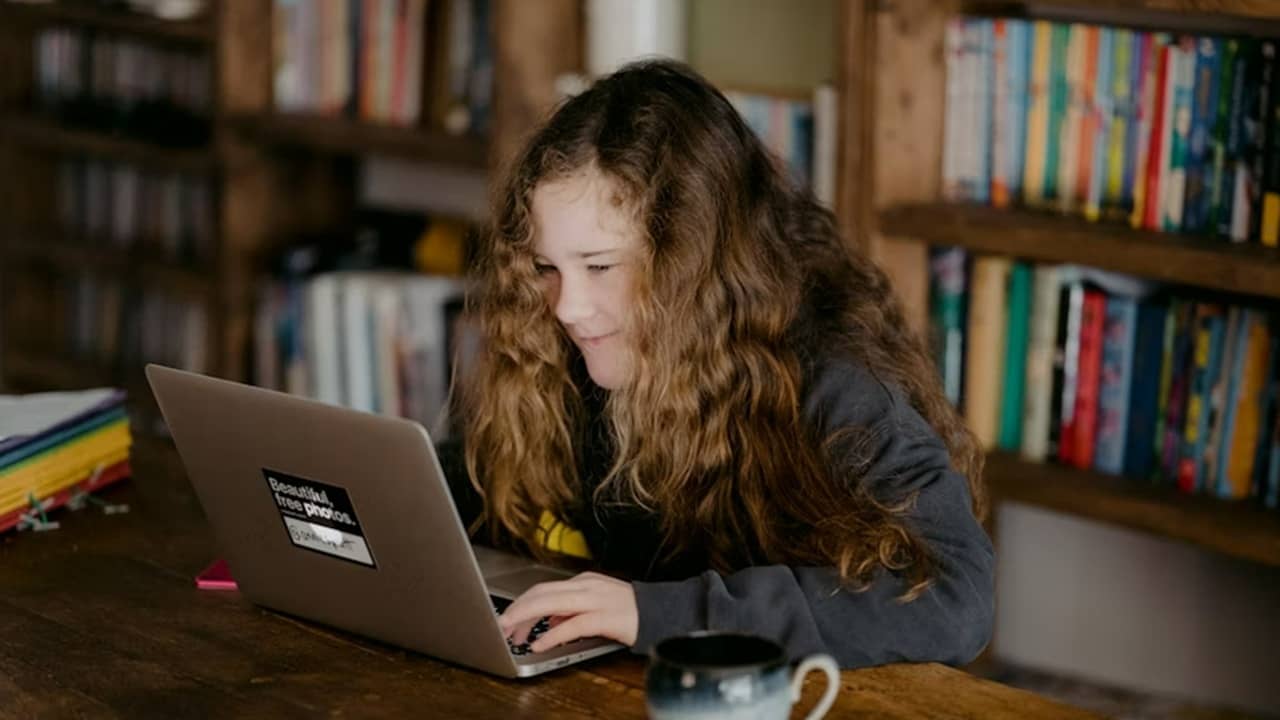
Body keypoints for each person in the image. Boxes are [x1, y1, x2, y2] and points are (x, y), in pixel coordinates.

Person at [438, 59, 994, 669]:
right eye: (547, 268)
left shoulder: (835, 377)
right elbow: (468, 488)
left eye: (601, 267)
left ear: (693, 263)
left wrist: (658, 613)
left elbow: (954, 599)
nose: (568, 308)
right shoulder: (569, 351)